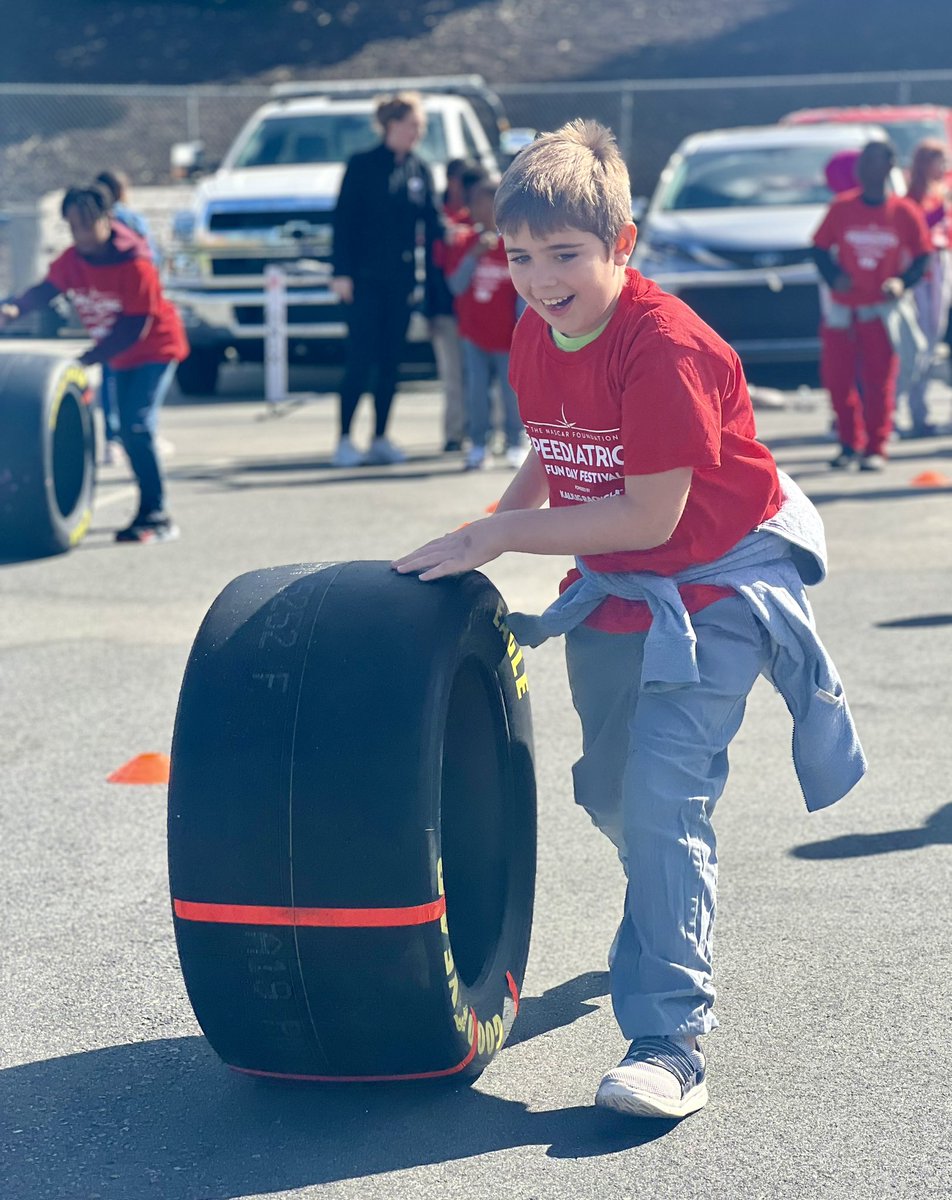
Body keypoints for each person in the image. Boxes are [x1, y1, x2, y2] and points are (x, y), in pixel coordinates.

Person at [393, 120, 866, 1121]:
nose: (539, 278)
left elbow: (650, 512)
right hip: (619, 582)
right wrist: (491, 527)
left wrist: (504, 538)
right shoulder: (534, 324)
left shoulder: (666, 349)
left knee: (660, 797)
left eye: (564, 255)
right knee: (611, 795)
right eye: (519, 257)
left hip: (717, 582)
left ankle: (671, 1038)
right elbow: (555, 450)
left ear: (623, 244)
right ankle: (657, 900)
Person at [0, 183, 188, 543]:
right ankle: (150, 508)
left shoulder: (135, 261)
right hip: (116, 354)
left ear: (106, 219)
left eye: (87, 225)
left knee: (137, 426)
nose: (81, 235)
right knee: (118, 429)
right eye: (72, 227)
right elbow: (47, 289)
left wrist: (89, 358)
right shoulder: (74, 260)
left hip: (154, 350)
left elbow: (135, 325)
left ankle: (157, 513)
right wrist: (14, 308)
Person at [330, 91, 442, 467]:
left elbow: (433, 221)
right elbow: (343, 222)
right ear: (391, 125)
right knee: (360, 359)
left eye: (420, 127)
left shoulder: (419, 169)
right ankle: (344, 438)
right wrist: (341, 272)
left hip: (401, 282)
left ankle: (380, 436)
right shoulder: (362, 165)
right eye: (413, 125)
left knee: (391, 361)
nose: (417, 132)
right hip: (363, 281)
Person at [812, 139, 932, 470]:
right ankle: (849, 444)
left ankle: (876, 446)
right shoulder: (841, 208)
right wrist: (834, 277)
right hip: (843, 310)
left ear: (889, 167)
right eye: (861, 163)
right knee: (838, 380)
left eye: (872, 163)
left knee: (879, 381)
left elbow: (923, 256)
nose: (863, 170)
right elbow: (819, 249)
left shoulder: (903, 212)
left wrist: (901, 282)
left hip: (880, 310)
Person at [444, 179, 526, 470]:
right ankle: (479, 443)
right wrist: (473, 255)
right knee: (476, 392)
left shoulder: (515, 243)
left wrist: (521, 327)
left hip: (507, 336)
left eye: (489, 206)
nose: (483, 212)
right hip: (473, 335)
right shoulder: (466, 242)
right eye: (478, 205)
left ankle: (516, 441)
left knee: (510, 391)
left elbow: (523, 289)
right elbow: (455, 285)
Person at [94, 169, 162, 465]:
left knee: (110, 375)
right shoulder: (131, 221)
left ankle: (112, 438)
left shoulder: (95, 223)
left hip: (108, 309)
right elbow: (152, 259)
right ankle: (141, 434)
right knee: (141, 389)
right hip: (134, 309)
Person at [428, 158, 486, 454]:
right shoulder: (437, 218)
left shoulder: (479, 222)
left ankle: (486, 432)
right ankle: (454, 433)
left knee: (481, 376)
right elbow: (433, 269)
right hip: (446, 310)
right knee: (453, 375)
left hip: (480, 310)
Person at [902, 139, 952, 436]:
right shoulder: (913, 197)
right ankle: (915, 409)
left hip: (943, 262)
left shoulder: (941, 191)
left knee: (933, 340)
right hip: (926, 268)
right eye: (939, 159)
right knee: (921, 341)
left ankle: (922, 409)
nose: (944, 165)